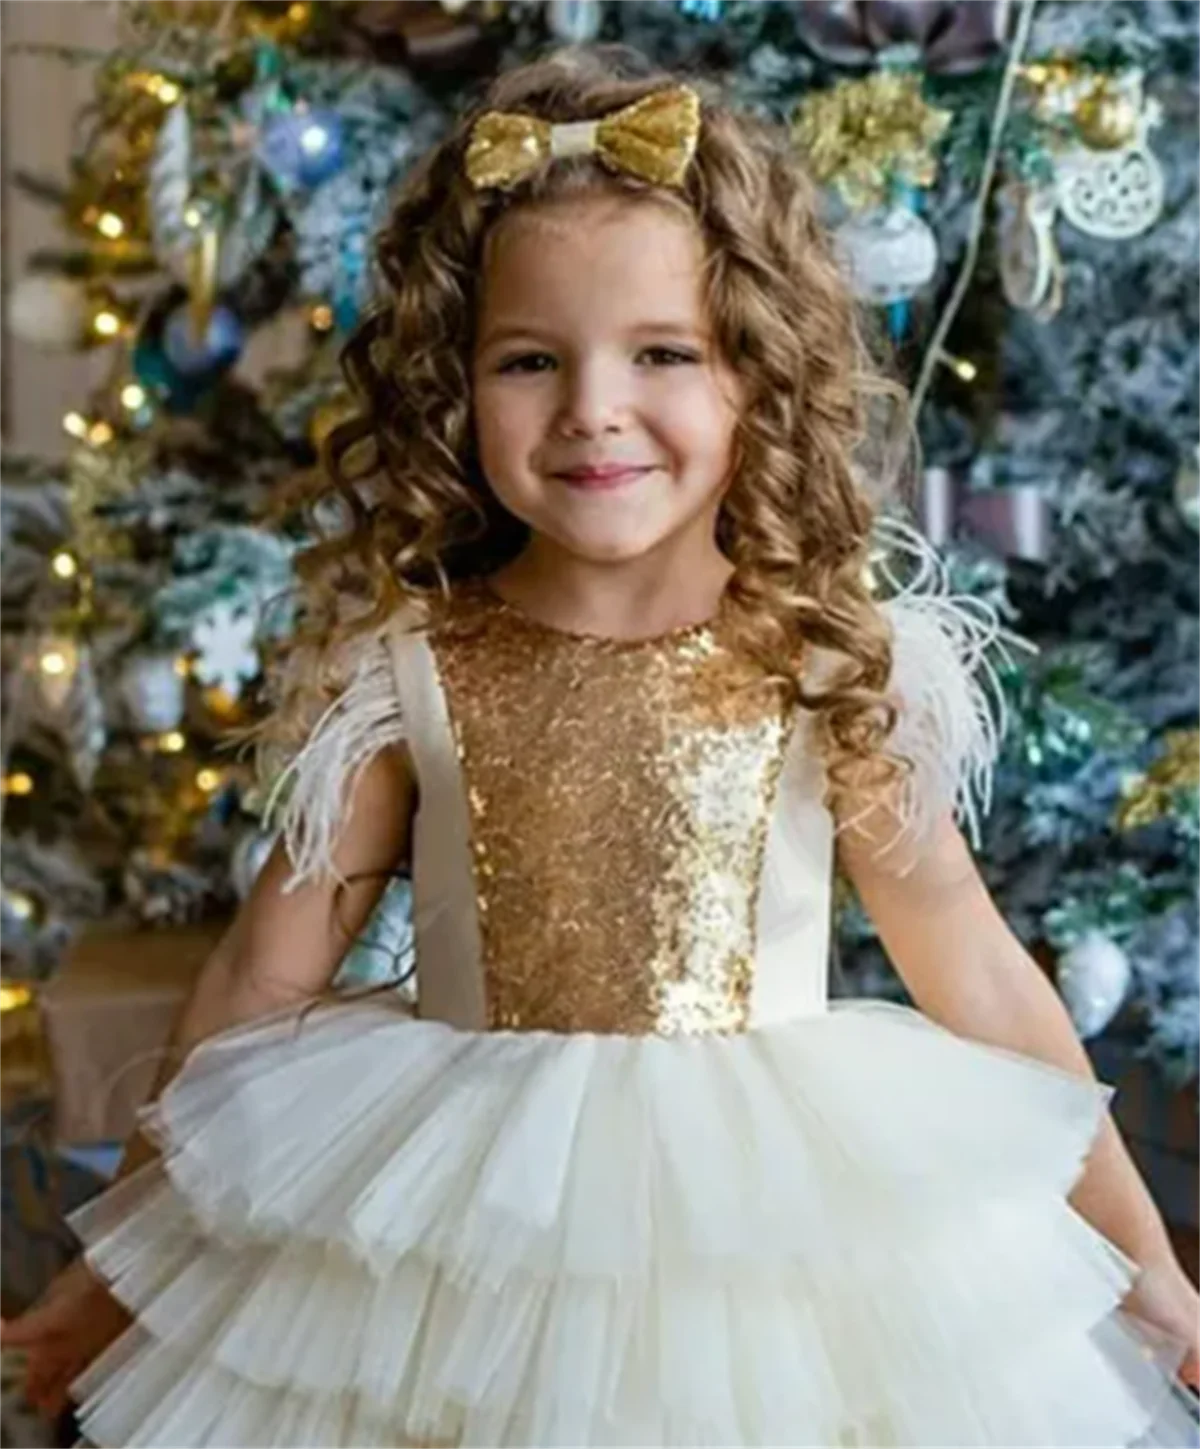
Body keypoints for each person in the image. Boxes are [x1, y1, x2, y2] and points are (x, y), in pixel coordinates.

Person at [2, 45, 1198, 1449]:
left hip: (766, 1237)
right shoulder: (407, 672)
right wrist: (114, 1266)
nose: (592, 409)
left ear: (757, 373)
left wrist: (1146, 1260)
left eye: (663, 354)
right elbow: (260, 980)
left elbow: (982, 975)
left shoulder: (823, 661)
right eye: (529, 360)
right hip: (449, 1231)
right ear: (456, 386)